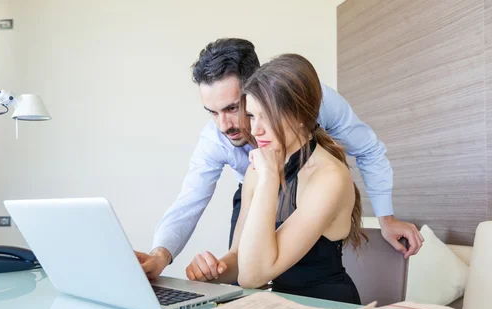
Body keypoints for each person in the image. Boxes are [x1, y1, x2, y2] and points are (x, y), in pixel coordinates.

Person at [135, 38, 423, 280]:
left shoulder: (314, 105)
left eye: (234, 108)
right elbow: (190, 201)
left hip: (306, 191)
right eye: (212, 112)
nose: (224, 125)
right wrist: (163, 256)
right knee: (244, 279)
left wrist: (386, 218)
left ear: (261, 90)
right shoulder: (222, 145)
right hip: (258, 190)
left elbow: (368, 149)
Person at [186, 53, 362, 303]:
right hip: (279, 308)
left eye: (267, 116)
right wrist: (214, 272)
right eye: (252, 116)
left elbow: (252, 277)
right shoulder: (259, 168)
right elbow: (240, 259)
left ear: (301, 115)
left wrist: (269, 179)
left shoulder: (329, 178)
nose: (255, 130)